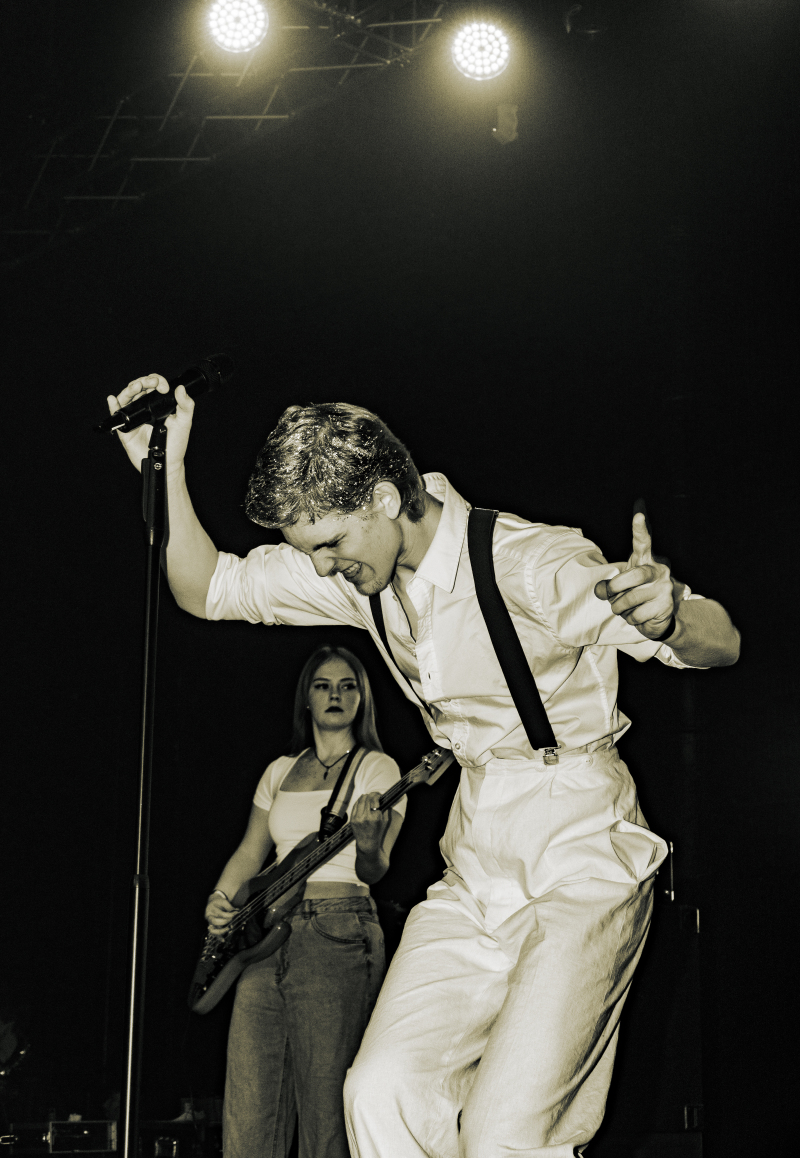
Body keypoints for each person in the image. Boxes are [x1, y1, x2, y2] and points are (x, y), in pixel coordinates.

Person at [107, 377, 740, 1158]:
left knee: (506, 1130)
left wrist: (671, 617)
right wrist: (163, 466)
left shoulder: (524, 562)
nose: (325, 568)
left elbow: (721, 642)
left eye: (330, 544)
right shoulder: (364, 580)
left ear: (383, 498)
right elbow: (207, 587)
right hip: (477, 854)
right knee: (379, 1093)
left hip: (581, 843)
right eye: (311, 552)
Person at [205, 642, 405, 1158]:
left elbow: (374, 869)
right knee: (249, 1108)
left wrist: (367, 842)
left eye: (347, 686)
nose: (335, 694)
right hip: (262, 939)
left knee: (325, 1113)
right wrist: (220, 900)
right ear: (307, 699)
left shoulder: (378, 769)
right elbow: (250, 852)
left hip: (336, 930)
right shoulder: (279, 770)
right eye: (323, 686)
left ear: (361, 699)